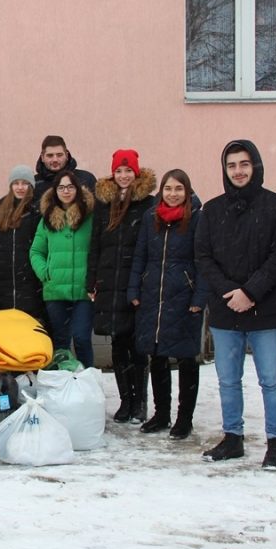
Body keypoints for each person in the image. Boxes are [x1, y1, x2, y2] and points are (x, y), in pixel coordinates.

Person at [195, 139, 276, 469]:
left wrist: (250, 292)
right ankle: (232, 438)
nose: (238, 171)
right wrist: (230, 292)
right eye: (231, 165)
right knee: (227, 380)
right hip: (226, 310)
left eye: (244, 164)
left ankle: (275, 444)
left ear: (256, 166)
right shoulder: (211, 210)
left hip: (264, 308)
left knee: (271, 380)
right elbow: (204, 257)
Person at [127, 169, 208, 439]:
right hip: (153, 296)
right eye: (168, 189)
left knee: (186, 358)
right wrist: (134, 289)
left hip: (184, 298)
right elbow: (140, 256)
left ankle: (184, 419)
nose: (173, 194)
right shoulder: (151, 218)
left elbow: (203, 261)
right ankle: (161, 414)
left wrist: (199, 298)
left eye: (178, 189)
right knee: (157, 356)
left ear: (187, 192)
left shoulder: (197, 218)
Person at [87, 149, 157, 424]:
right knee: (117, 344)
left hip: (135, 284)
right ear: (112, 174)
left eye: (128, 171)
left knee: (137, 346)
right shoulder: (103, 206)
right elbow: (95, 245)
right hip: (108, 282)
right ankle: (125, 401)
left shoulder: (147, 205)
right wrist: (91, 280)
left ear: (136, 173)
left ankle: (140, 401)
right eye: (119, 171)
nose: (124, 176)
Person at [30, 170, 96, 368]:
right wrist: (44, 272)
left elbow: (99, 249)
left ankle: (86, 382)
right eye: (61, 187)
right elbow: (36, 251)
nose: (66, 191)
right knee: (60, 342)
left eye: (70, 186)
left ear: (77, 189)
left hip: (83, 291)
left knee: (82, 337)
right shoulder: (47, 219)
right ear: (55, 191)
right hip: (55, 291)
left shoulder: (90, 218)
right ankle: (64, 384)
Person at [0, 165, 46, 323]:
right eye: (16, 183)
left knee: (29, 331)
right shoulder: (1, 207)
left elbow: (43, 248)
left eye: (25, 183)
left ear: (31, 185)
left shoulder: (37, 210)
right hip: (3, 284)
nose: (20, 187)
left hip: (30, 284)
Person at [33, 135, 96, 200]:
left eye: (59, 155)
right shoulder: (33, 184)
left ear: (67, 156)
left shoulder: (86, 179)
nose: (55, 160)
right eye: (50, 155)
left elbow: (100, 209)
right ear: (42, 158)